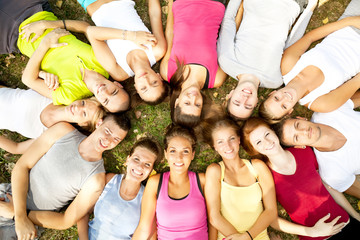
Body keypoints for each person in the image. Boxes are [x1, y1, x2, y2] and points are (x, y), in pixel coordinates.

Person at [0, 113, 130, 240]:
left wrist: (19, 215)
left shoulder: (96, 180)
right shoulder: (63, 131)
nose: (108, 140)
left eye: (116, 139)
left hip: (31, 222)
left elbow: (65, 221)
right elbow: (22, 166)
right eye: (107, 131)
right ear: (99, 123)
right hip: (8, 195)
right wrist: (19, 214)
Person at [241, 117, 360, 239]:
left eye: (267, 134)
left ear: (273, 132)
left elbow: (327, 186)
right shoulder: (265, 174)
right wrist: (312, 231)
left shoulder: (304, 151)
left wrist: (355, 215)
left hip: (344, 223)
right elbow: (272, 219)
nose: (267, 142)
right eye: (258, 142)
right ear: (254, 150)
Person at [0, 0, 130, 113]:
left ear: (101, 104)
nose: (104, 92)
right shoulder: (104, 63)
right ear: (118, 85)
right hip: (34, 10)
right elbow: (86, 28)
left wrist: (45, 45)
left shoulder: (70, 95)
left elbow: (28, 80)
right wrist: (45, 24)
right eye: (113, 92)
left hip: (12, 37)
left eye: (106, 101)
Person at [260, 0, 360, 123]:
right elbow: (357, 81)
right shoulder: (321, 103)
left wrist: (350, 21)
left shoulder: (288, 65)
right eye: (284, 106)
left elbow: (310, 37)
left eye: (276, 98)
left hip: (349, 24)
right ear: (290, 111)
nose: (284, 98)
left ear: (273, 93)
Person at [218, 0, 317, 120]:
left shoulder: (227, 62)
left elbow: (229, 20)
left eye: (237, 102)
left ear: (230, 95)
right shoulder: (275, 80)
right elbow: (292, 44)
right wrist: (310, 8)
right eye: (248, 106)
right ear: (256, 103)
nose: (245, 98)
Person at [76, 0, 168, 105]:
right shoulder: (157, 50)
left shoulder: (120, 72)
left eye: (143, 88)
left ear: (136, 88)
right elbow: (155, 15)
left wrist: (131, 36)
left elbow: (91, 32)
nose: (146, 80)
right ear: (159, 76)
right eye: (154, 82)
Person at [271, 97, 360, 200]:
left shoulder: (326, 110)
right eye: (297, 137)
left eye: (298, 125)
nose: (304, 132)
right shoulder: (332, 173)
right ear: (300, 146)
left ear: (301, 118)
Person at [202, 118, 276, 240]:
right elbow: (214, 217)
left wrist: (247, 237)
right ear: (214, 147)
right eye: (220, 142)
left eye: (231, 139)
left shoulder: (257, 167)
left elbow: (271, 211)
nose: (228, 146)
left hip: (258, 236)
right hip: (229, 237)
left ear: (239, 140)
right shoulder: (215, 171)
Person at [77, 137, 162, 239]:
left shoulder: (147, 197)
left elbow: (150, 235)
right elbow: (83, 212)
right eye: (136, 159)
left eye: (147, 164)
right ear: (128, 160)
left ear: (151, 171)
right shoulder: (109, 180)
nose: (140, 167)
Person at [159, 0, 227, 127]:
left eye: (187, 103)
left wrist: (171, 6)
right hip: (215, 5)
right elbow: (224, 40)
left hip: (182, 3)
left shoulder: (167, 72)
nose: (194, 98)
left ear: (177, 102)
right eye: (197, 105)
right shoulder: (215, 79)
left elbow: (170, 35)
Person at [132, 125, 208, 239]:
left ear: (193, 154)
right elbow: (144, 227)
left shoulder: (203, 181)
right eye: (173, 151)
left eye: (185, 151)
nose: (179, 158)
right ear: (166, 154)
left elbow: (214, 220)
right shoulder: (155, 183)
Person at [0, 84, 106, 154]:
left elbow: (16, 148)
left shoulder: (52, 135)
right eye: (83, 103)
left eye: (84, 114)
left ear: (83, 124)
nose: (78, 107)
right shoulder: (56, 94)